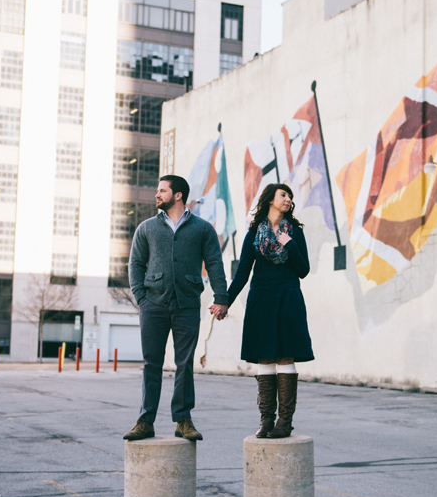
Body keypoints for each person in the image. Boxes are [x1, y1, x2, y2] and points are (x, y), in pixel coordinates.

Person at [124, 174, 229, 442]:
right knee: (151, 364)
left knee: (185, 364)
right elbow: (135, 264)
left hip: (187, 304)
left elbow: (215, 263)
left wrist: (221, 297)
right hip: (153, 304)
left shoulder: (202, 229)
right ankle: (145, 420)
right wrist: (141, 297)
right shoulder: (147, 228)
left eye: (162, 190)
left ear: (178, 195)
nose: (156, 195)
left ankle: (183, 420)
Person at [220, 183, 313, 438]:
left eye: (290, 197)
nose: (288, 199)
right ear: (270, 198)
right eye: (283, 194)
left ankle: (284, 422)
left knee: (285, 356)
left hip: (288, 296)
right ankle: (265, 421)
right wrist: (225, 300)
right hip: (261, 297)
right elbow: (242, 272)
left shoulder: (294, 232)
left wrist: (290, 245)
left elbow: (303, 270)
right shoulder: (253, 234)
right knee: (264, 357)